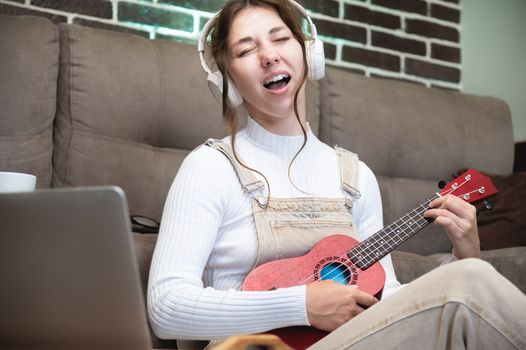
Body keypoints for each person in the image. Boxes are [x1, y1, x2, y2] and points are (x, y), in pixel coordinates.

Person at [147, 1, 526, 349]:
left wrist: (464, 257)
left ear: (310, 54)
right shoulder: (211, 166)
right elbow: (166, 308)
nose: (268, 55)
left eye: (280, 38)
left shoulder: (355, 175)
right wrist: (302, 305)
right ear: (227, 80)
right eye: (246, 50)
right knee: (470, 284)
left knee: (469, 278)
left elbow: (387, 299)